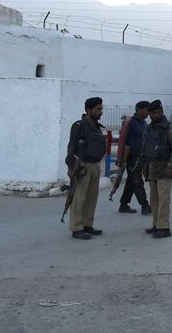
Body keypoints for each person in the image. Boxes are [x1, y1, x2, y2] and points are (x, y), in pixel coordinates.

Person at [64, 97, 107, 240]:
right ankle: (77, 228)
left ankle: (87, 225)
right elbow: (71, 147)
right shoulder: (79, 125)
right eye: (98, 109)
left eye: (101, 108)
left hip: (95, 165)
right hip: (82, 165)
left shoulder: (97, 126)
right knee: (79, 198)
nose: (101, 111)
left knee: (91, 197)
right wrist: (70, 167)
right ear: (89, 110)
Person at [141, 100, 172, 239]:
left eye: (159, 112)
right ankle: (156, 223)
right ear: (150, 114)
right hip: (151, 167)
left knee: (164, 198)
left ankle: (164, 226)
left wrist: (171, 166)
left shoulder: (170, 128)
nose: (157, 114)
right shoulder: (149, 128)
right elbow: (144, 147)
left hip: (165, 168)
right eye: (154, 113)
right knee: (154, 199)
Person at [115, 101, 152, 214]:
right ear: (139, 109)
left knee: (131, 181)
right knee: (137, 181)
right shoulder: (129, 122)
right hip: (131, 157)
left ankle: (124, 204)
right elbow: (123, 140)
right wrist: (120, 158)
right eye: (147, 110)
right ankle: (145, 205)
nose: (148, 113)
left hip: (141, 157)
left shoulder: (144, 123)